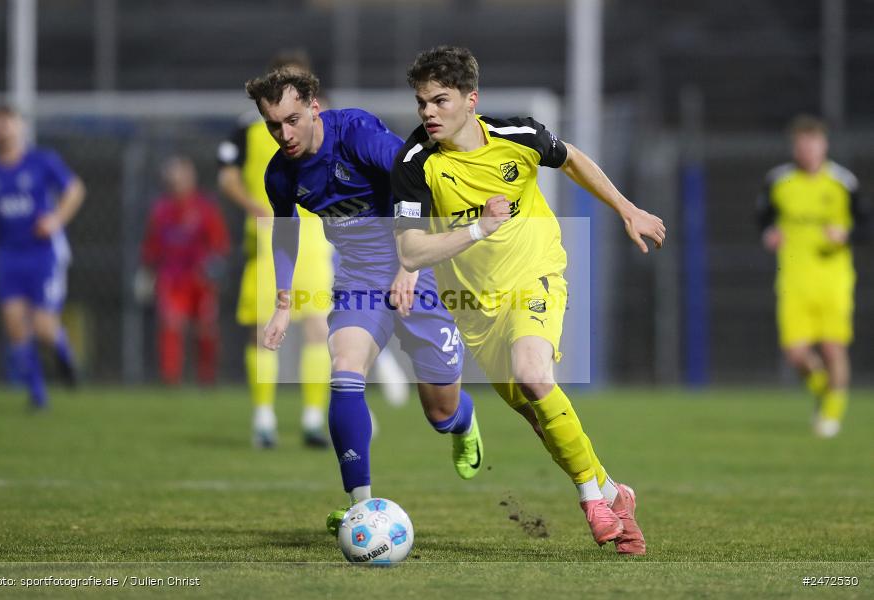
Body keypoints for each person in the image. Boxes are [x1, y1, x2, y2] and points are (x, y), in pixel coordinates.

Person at [392, 46, 665, 554]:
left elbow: (573, 160)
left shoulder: (518, 136)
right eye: (421, 102)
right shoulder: (415, 163)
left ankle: (591, 501)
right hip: (475, 310)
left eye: (440, 100)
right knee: (540, 417)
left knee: (535, 374)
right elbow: (410, 247)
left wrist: (627, 209)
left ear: (471, 100)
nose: (428, 112)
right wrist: (478, 228)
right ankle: (613, 491)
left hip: (536, 275)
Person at [243, 67, 484, 535]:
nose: (284, 134)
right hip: (358, 279)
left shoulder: (357, 134)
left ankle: (463, 421)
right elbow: (285, 235)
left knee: (439, 413)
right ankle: (361, 506)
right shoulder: (281, 174)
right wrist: (283, 302)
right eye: (273, 125)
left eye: (292, 120)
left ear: (315, 105)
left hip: (421, 266)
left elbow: (419, 182)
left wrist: (409, 268)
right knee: (345, 371)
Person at [217, 52, 335, 448]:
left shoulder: (325, 119)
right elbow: (227, 176)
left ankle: (313, 419)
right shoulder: (249, 125)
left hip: (315, 235)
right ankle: (264, 419)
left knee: (319, 326)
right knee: (263, 331)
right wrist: (254, 206)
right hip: (267, 240)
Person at [758, 115, 868, 438]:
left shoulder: (842, 182)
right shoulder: (778, 181)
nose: (808, 150)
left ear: (824, 145)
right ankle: (825, 389)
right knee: (796, 353)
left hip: (834, 278)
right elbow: (763, 218)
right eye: (802, 144)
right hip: (793, 278)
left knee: (833, 348)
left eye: (813, 143)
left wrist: (846, 234)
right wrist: (769, 233)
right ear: (795, 147)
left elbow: (865, 225)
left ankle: (832, 413)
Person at [0, 103, 85, 408]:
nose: (3, 127)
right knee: (14, 325)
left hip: (43, 254)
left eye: (8, 121)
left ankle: (63, 354)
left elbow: (74, 189)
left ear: (21, 126)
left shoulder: (41, 161)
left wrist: (56, 220)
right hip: (8, 255)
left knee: (43, 326)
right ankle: (38, 396)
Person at [139, 156, 230, 385]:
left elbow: (219, 243)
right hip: (171, 278)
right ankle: (170, 380)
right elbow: (151, 246)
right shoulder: (161, 211)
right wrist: (147, 272)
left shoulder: (205, 208)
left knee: (206, 329)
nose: (176, 183)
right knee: (170, 325)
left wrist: (213, 269)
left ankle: (207, 378)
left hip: (200, 278)